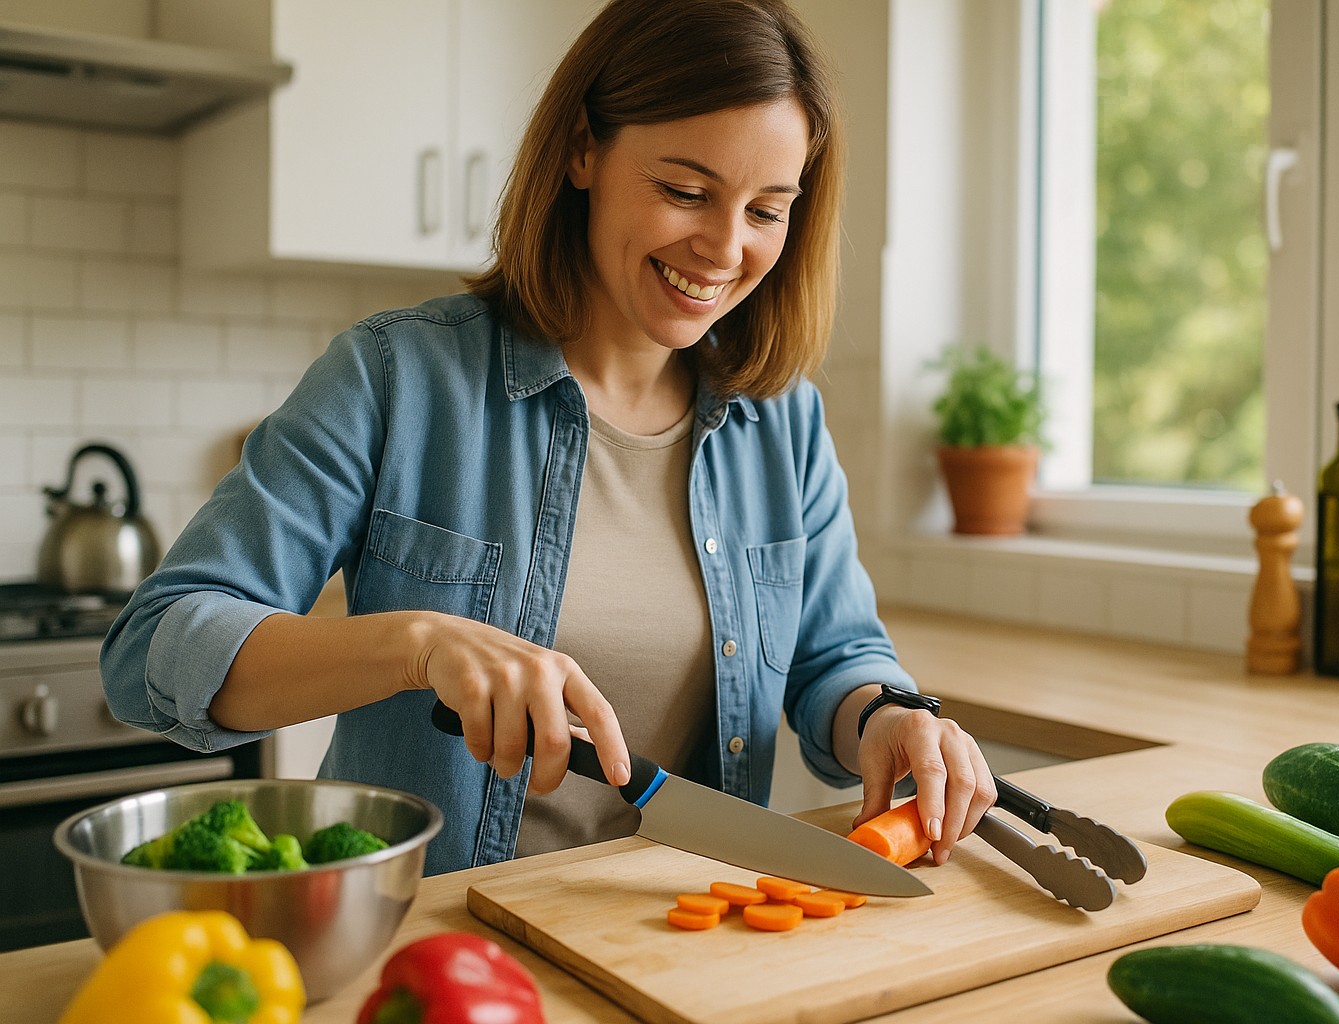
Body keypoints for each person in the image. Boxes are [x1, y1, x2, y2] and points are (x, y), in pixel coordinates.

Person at [100, 0, 996, 877]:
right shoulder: (397, 376)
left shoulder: (780, 418)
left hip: (676, 936)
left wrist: (887, 717)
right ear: (581, 150)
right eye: (686, 191)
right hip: (437, 942)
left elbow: (835, 657)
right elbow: (156, 649)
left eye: (767, 210)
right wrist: (419, 644)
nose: (725, 249)